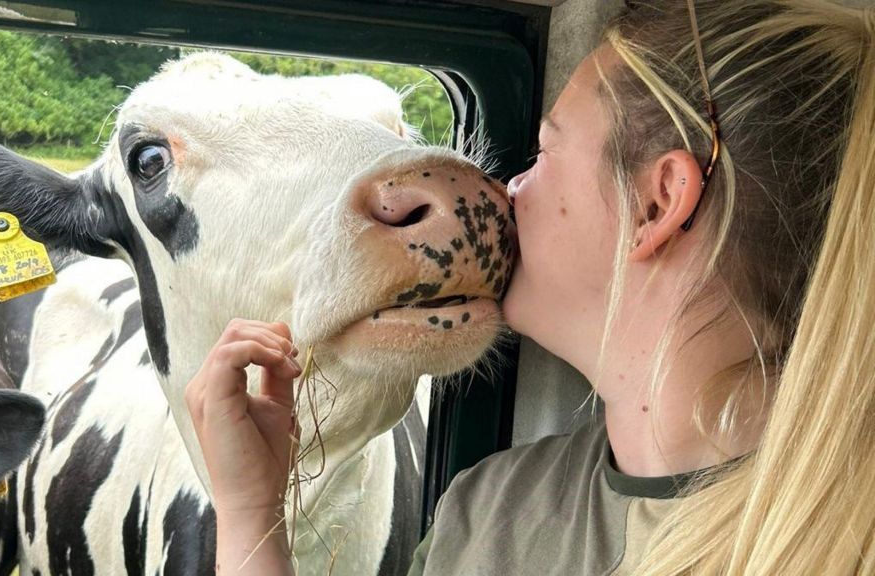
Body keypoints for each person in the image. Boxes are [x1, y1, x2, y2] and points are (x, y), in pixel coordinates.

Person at [184, 0, 875, 573]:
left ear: (658, 205)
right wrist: (252, 508)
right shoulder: (488, 507)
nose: (509, 187)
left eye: (544, 153)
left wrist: (245, 524)